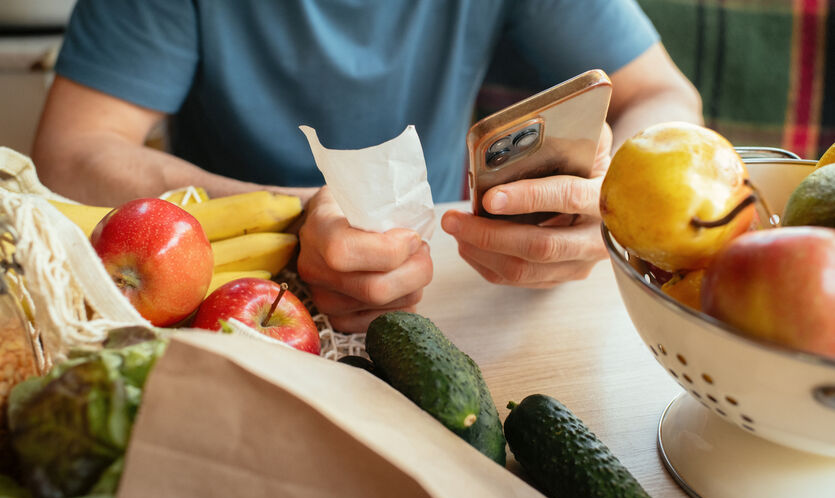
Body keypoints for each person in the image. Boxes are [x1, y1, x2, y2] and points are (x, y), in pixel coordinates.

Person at [32, 0, 702, 332]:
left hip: (446, 299)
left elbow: (664, 97)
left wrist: (611, 199)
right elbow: (72, 151)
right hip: (219, 304)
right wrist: (302, 215)